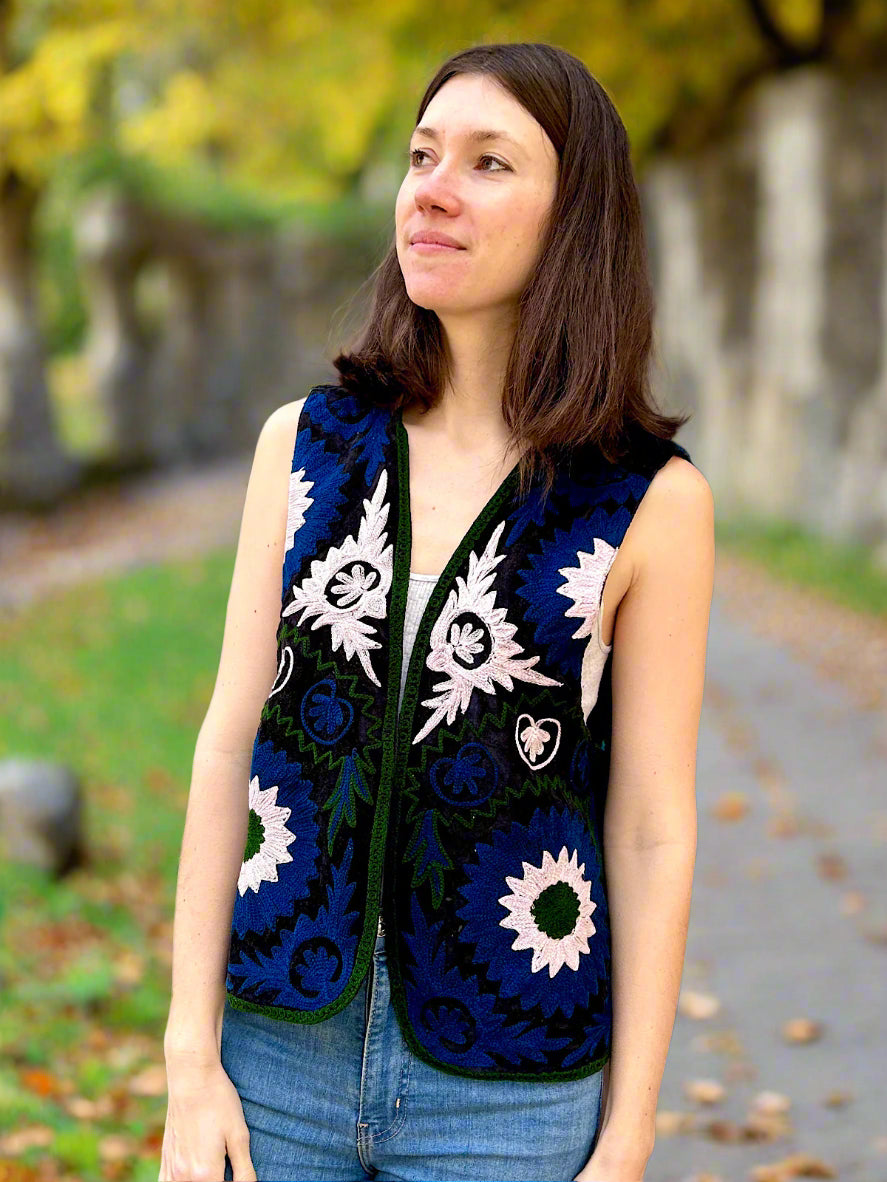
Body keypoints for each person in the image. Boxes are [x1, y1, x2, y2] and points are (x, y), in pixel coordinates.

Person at [159, 41, 714, 1182]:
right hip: (273, 1058)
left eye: (488, 162)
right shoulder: (304, 446)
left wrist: (629, 1132)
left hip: (508, 1095)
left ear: (575, 221)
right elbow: (227, 744)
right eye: (421, 156)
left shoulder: (649, 503)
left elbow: (652, 825)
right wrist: (188, 1058)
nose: (433, 188)